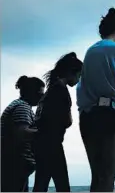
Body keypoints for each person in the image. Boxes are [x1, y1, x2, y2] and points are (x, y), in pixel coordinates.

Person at [77, 7, 115, 192]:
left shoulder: (90, 52)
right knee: (109, 175)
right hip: (112, 115)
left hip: (88, 116)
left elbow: (82, 87)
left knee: (96, 176)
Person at [33, 52, 83, 192]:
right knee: (63, 186)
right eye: (79, 75)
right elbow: (66, 121)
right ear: (70, 73)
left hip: (41, 143)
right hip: (52, 144)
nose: (79, 80)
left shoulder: (51, 89)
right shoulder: (61, 91)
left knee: (41, 184)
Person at [1, 76, 45, 192]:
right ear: (33, 93)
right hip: (14, 165)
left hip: (15, 165)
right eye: (40, 94)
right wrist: (46, 132)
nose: (42, 97)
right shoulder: (22, 107)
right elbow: (22, 133)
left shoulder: (20, 105)